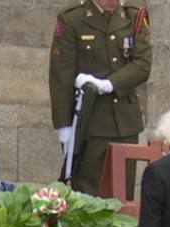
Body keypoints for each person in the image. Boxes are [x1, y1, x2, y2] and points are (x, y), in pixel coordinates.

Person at [48, 0, 152, 197]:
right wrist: (64, 126)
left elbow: (143, 65)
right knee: (90, 196)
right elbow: (61, 75)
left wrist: (110, 84)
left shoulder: (134, 17)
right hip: (90, 122)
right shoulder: (72, 19)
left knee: (122, 195)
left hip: (125, 123)